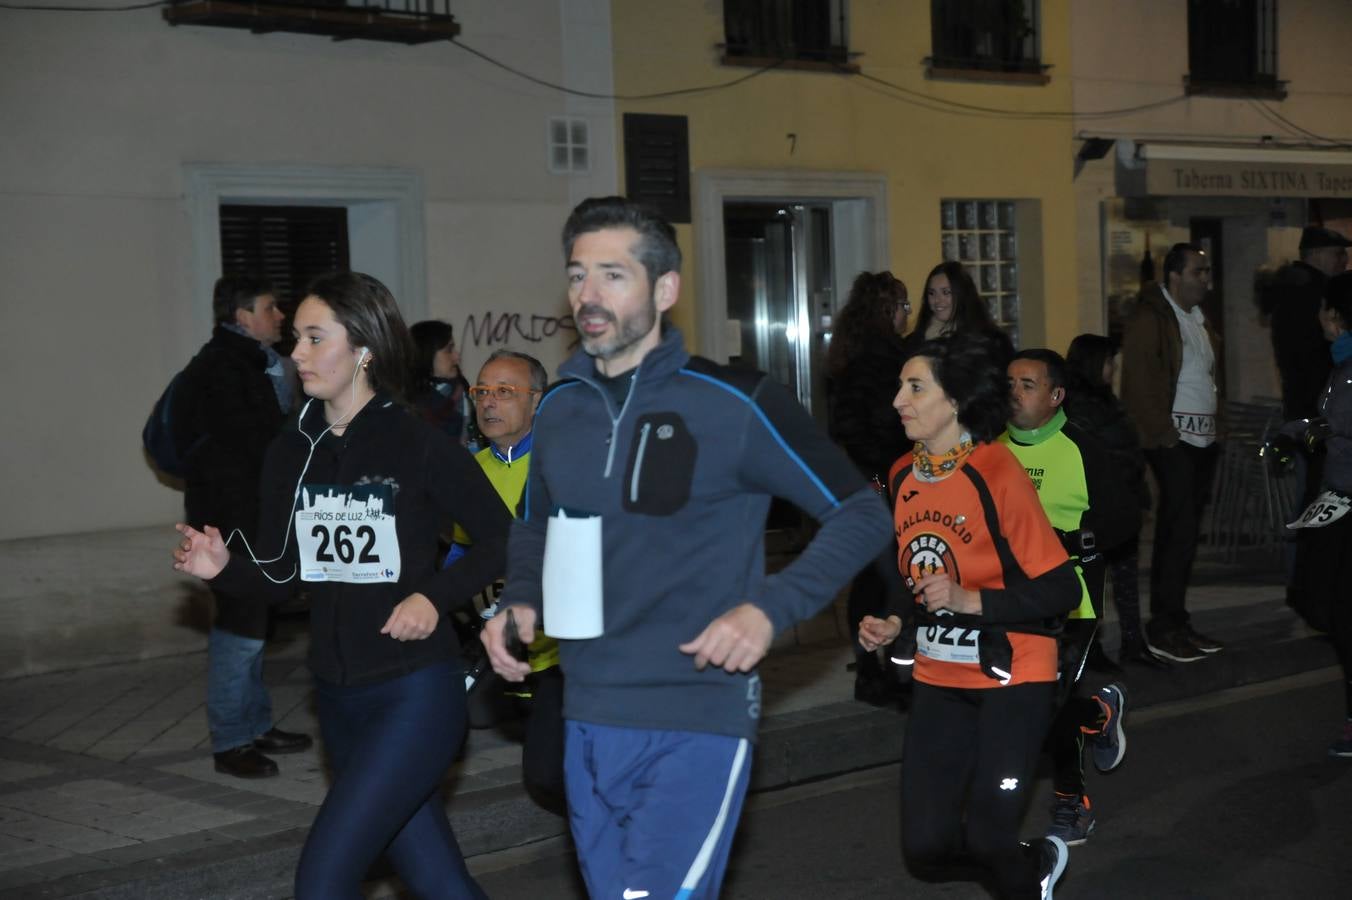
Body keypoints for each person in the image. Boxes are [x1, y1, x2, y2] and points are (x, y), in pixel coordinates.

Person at [481, 196, 891, 899]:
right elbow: (536, 524)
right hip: (587, 709)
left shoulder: (735, 403)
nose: (589, 295)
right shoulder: (559, 408)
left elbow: (862, 512)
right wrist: (521, 599)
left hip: (695, 717)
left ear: (664, 289)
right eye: (578, 275)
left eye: (613, 275)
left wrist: (769, 608)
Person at [172, 272, 511, 899]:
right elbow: (280, 577)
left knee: (323, 879)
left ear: (363, 349)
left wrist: (432, 597)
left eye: (313, 337)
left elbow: (501, 538)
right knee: (437, 878)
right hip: (337, 698)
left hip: (415, 694)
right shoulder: (290, 449)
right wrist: (224, 568)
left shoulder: (417, 444)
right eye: (295, 337)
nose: (295, 353)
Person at [858, 332, 1079, 899]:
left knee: (985, 833)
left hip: (1014, 676)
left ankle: (1020, 879)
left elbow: (1060, 588)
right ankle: (1030, 862)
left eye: (914, 387)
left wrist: (971, 601)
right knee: (926, 848)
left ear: (954, 400)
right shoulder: (902, 475)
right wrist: (895, 622)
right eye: (899, 387)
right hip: (939, 680)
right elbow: (922, 575)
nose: (898, 401)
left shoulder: (995, 471)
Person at [175, 275, 310, 779]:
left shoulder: (251, 364)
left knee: (253, 626)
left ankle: (255, 725)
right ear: (241, 315)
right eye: (271, 308)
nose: (280, 316)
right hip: (232, 524)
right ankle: (232, 741)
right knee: (239, 629)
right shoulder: (224, 369)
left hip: (249, 518)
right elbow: (258, 448)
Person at [1001, 349, 1136, 847]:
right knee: (1019, 707)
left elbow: (1124, 519)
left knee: (1044, 707)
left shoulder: (1082, 448)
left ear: (1056, 396)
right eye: (1010, 383)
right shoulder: (992, 450)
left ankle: (1071, 803)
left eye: (1028, 384)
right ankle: (1100, 715)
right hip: (1006, 603)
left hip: (1071, 603)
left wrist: (1075, 540)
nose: (1015, 392)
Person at [450, 348, 566, 812]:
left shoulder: (564, 466)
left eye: (504, 392)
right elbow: (460, 552)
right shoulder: (467, 470)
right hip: (494, 652)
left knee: (548, 774)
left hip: (560, 658)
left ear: (537, 401)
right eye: (481, 392)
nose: (489, 404)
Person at [1119, 243, 1225, 664]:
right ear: (1174, 276)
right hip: (1174, 439)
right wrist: (1163, 435)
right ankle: (1163, 625)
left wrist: (1220, 429)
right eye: (1198, 272)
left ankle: (1177, 620)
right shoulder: (1152, 319)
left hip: (1202, 440)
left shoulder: (1198, 319)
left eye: (1207, 272)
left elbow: (1213, 378)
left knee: (1186, 532)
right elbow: (1140, 383)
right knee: (1175, 530)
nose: (1206, 280)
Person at [826, 270, 912, 705]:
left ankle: (871, 666)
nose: (906, 316)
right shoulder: (885, 360)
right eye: (904, 307)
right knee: (891, 574)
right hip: (882, 479)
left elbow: (842, 425)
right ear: (889, 310)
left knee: (873, 575)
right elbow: (876, 426)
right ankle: (884, 672)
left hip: (863, 479)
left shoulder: (849, 355)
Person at [1064, 334, 1169, 669]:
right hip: (1097, 506)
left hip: (1121, 501)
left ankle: (1132, 641)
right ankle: (1091, 649)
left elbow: (1125, 447)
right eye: (1109, 362)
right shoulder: (1078, 406)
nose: (1113, 369)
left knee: (1124, 576)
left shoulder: (1106, 400)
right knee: (1094, 580)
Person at [1282, 271, 1352, 758]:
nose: (1319, 317)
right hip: (1339, 500)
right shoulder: (1339, 364)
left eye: (1325, 307)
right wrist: (1303, 430)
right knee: (1334, 613)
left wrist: (1321, 430)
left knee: (1343, 617)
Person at [1265, 226, 1351, 423]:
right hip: (1318, 401)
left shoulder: (1296, 286)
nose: (1344, 260)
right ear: (1315, 254)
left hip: (1306, 400)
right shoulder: (1312, 291)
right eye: (1338, 254)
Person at [900, 260, 1015, 366]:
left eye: (946, 292)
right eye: (931, 293)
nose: (938, 300)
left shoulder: (992, 342)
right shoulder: (913, 343)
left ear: (962, 294)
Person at [409, 319, 477, 448]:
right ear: (426, 353)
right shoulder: (409, 406)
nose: (457, 356)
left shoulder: (462, 390)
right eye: (449, 350)